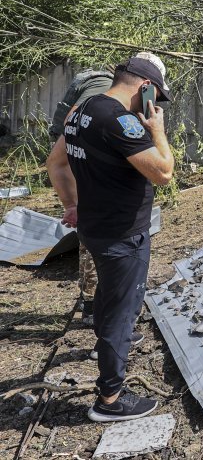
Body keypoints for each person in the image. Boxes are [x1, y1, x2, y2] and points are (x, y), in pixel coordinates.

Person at [58, 52, 174, 421]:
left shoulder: (83, 108)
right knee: (124, 313)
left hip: (94, 226)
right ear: (146, 88)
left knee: (108, 299)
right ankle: (109, 400)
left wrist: (71, 204)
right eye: (154, 97)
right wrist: (158, 130)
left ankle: (103, 350)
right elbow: (164, 173)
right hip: (123, 234)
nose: (152, 105)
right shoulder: (121, 121)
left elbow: (57, 162)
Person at [47, 69, 114, 326]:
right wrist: (71, 204)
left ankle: (94, 304)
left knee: (91, 226)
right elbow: (74, 120)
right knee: (92, 227)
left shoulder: (104, 86)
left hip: (77, 151)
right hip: (76, 152)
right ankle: (92, 306)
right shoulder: (104, 88)